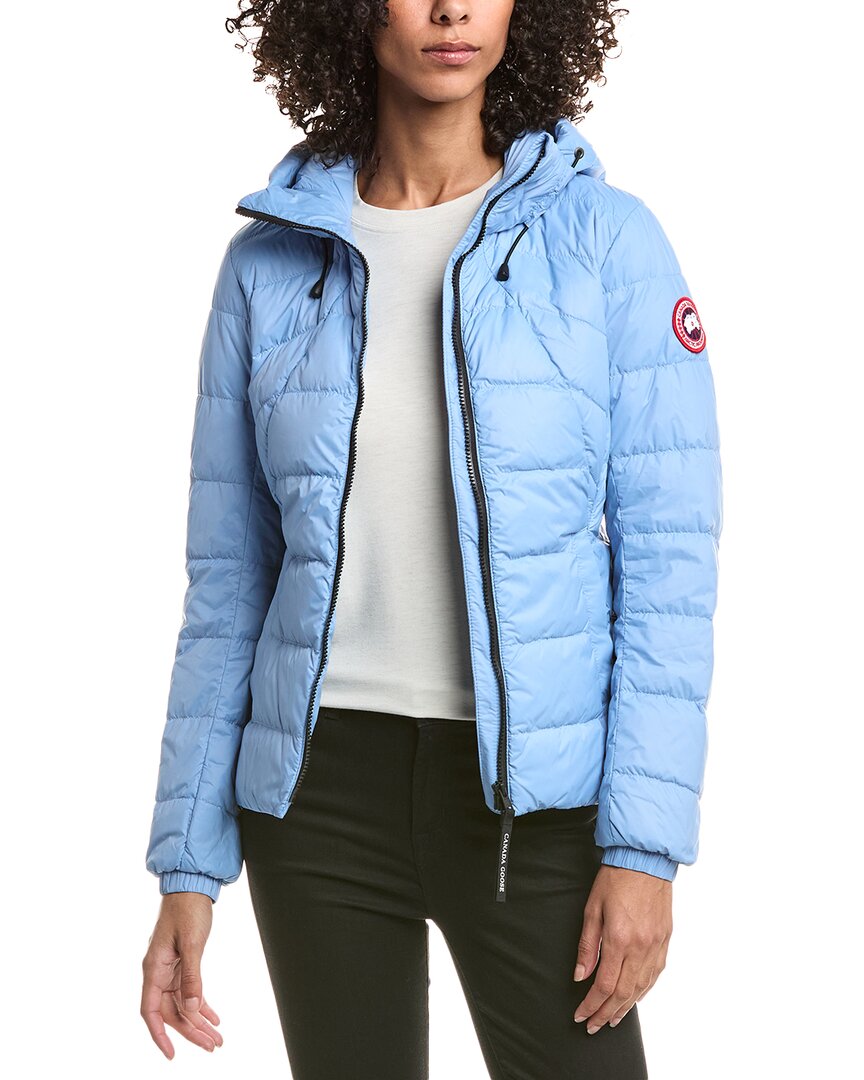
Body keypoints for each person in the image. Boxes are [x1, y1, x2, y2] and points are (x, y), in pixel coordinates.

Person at [140, 2, 723, 1077]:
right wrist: (188, 863)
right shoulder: (269, 264)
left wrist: (644, 848)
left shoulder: (607, 243)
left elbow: (668, 572)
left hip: (532, 805)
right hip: (317, 798)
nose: (452, 9)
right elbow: (227, 584)